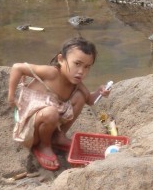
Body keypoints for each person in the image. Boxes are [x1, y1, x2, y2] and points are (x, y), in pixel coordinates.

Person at [8, 37, 110, 171]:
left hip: (50, 119)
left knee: (79, 97)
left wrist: (100, 92)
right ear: (61, 59)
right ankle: (43, 146)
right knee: (51, 112)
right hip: (30, 130)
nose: (81, 71)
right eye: (77, 64)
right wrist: (11, 97)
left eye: (87, 67)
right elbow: (17, 68)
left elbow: (89, 100)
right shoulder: (52, 73)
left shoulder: (76, 84)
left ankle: (58, 137)